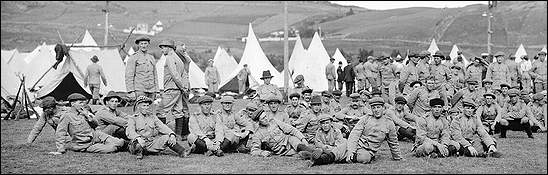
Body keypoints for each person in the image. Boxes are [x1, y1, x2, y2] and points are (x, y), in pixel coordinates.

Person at [303, 97, 402, 166]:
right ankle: (316, 161)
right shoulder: (365, 118)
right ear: (371, 108)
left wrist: (398, 157)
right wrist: (351, 150)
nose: (376, 110)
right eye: (373, 107)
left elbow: (393, 142)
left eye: (378, 107)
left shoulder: (389, 123)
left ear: (383, 108)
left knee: (365, 158)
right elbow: (354, 135)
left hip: (367, 150)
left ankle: (313, 155)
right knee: (340, 150)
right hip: (355, 144)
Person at [50, 93, 125, 155]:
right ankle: (126, 145)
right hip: (84, 144)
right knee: (112, 148)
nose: (83, 105)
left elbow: (96, 124)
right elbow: (60, 133)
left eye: (83, 102)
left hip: (96, 136)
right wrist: (60, 149)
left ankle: (130, 144)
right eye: (80, 103)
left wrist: (88, 116)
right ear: (72, 103)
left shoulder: (84, 112)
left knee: (119, 142)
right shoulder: (67, 116)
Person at [249, 107, 319, 157]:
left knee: (295, 141)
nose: (266, 119)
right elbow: (254, 150)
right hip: (282, 151)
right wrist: (262, 153)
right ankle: (318, 156)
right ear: (258, 121)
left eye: (265, 116)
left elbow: (292, 129)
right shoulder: (257, 134)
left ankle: (314, 152)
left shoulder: (273, 121)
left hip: (289, 140)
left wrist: (302, 139)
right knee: (301, 155)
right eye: (263, 118)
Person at [157, 40, 189, 142]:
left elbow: (175, 75)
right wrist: (184, 87)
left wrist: (182, 87)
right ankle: (179, 136)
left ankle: (163, 135)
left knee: (160, 111)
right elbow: (184, 75)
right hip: (178, 90)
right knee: (178, 112)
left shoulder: (170, 57)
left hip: (171, 89)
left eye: (163, 47)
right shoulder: (179, 59)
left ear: (169, 47)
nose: (162, 50)